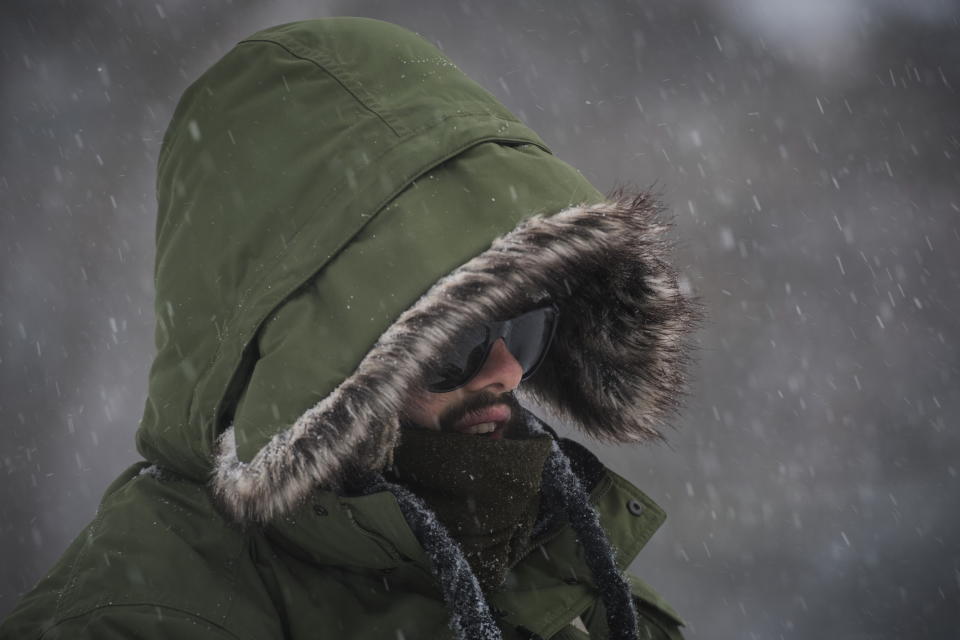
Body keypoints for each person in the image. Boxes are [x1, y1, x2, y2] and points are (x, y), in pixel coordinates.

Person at [0, 17, 700, 640]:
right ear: (321, 358)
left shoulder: (578, 586)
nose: (507, 373)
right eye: (450, 341)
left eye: (527, 330)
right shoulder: (135, 616)